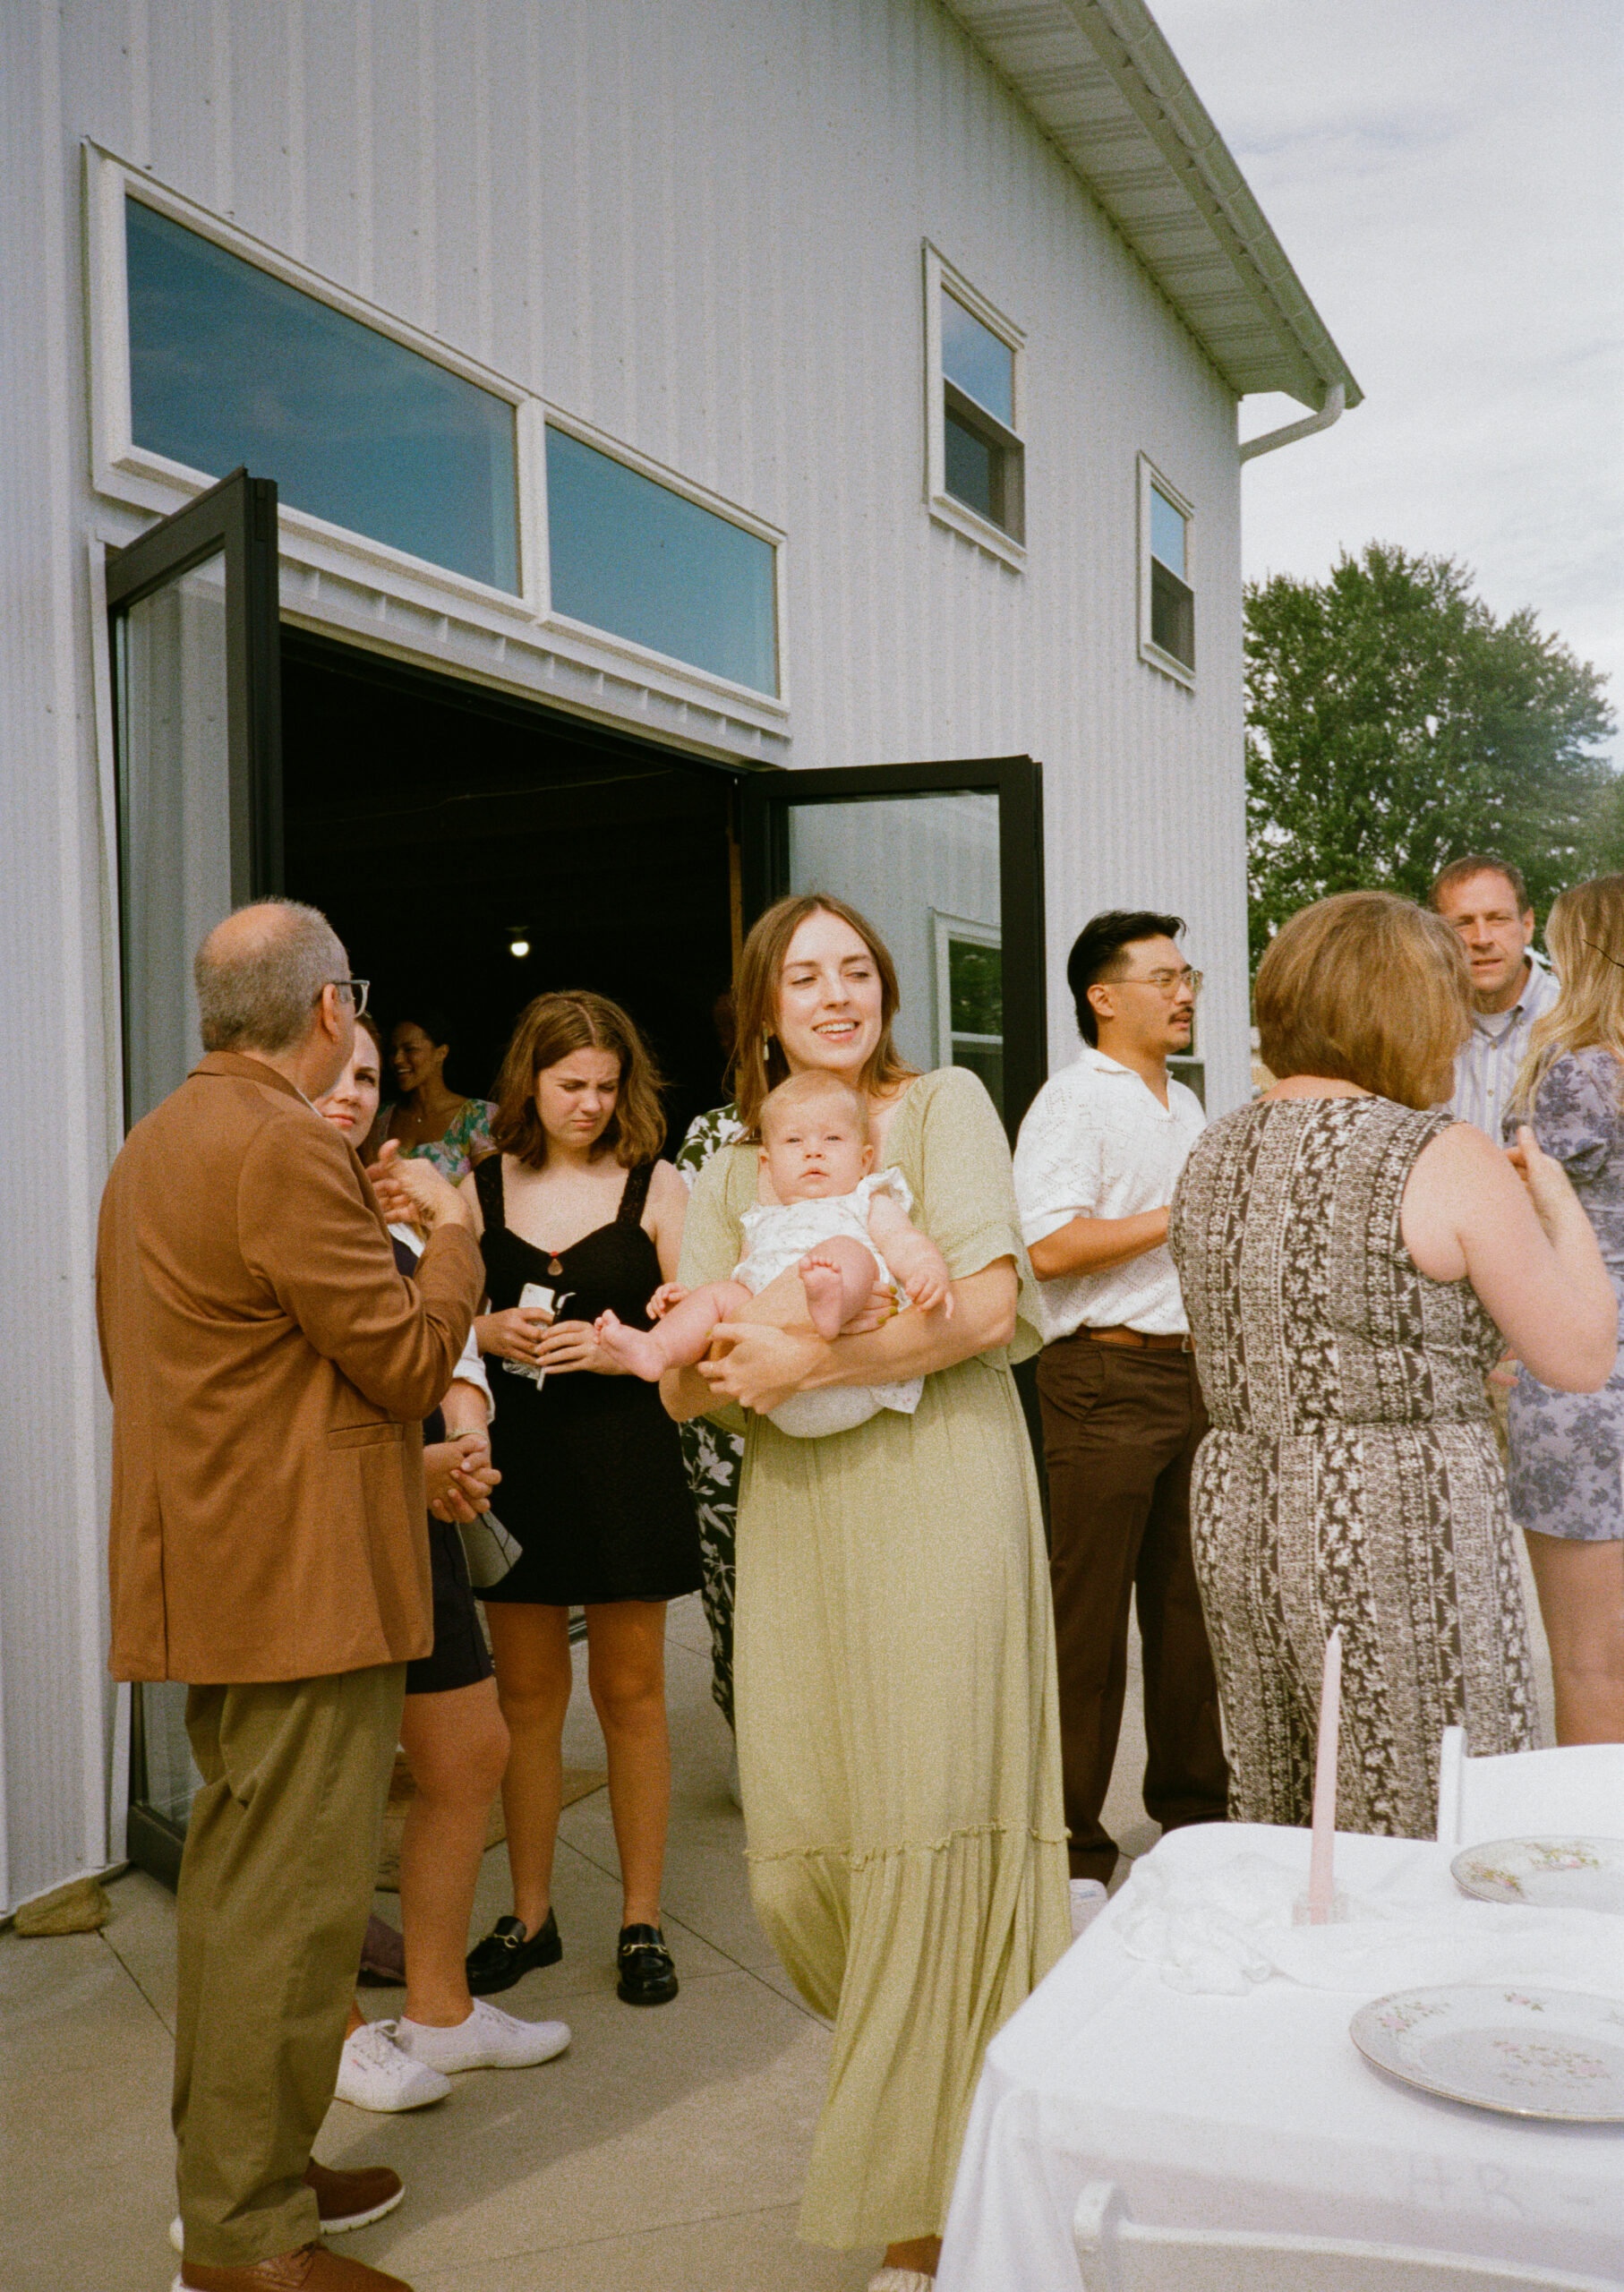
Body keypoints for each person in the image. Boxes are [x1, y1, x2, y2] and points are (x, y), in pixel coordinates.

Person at [666, 894, 1068, 2288]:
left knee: (932, 1819)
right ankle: (972, 2118)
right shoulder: (732, 1162)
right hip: (796, 1519)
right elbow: (691, 1370)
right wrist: (680, 1349)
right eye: (801, 976)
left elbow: (979, 1307)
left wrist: (809, 1363)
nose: (832, 995)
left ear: (884, 991)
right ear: (762, 1009)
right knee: (806, 1857)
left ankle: (932, 2213)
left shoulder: (937, 1107)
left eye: (854, 971)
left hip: (941, 1488)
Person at [97, 900, 483, 2292]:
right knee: (294, 1908)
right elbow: (397, 1359)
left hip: (224, 1566)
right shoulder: (279, 1146)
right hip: (303, 1586)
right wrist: (455, 1232)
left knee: (239, 1898)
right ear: (329, 1009)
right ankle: (250, 2238)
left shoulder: (159, 1143)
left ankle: (245, 2176)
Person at [1167, 891, 1615, 1835]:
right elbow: (1576, 1352)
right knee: (1424, 1810)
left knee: (1287, 1805)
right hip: (1395, 1515)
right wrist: (1555, 1202)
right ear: (1408, 1006)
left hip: (1239, 1504)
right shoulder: (1439, 1152)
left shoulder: (1213, 1148)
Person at [313, 1016, 572, 2104]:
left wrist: (464, 1442)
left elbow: (449, 1345)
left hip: (422, 1517)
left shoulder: (404, 1223)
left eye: (368, 1075)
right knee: (322, 1793)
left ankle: (440, 2009)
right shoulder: (288, 1208)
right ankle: (333, 2030)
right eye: (330, 1069)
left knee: (468, 1752)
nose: (352, 1090)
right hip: (320, 1532)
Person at [460, 991, 700, 2009]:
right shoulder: (475, 1188)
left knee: (633, 1696)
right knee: (523, 1704)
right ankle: (530, 1911)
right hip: (514, 1463)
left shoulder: (660, 1186)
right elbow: (429, 1322)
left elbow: (694, 1329)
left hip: (622, 1459)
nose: (591, 1105)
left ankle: (640, 1919)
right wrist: (486, 1327)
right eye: (571, 1086)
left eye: (607, 1087)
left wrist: (616, 1352)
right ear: (529, 1081)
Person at [1012, 911, 1228, 1914]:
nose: (1182, 993)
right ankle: (1070, 1850)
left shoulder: (1181, 1101)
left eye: (1186, 976)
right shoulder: (1072, 1101)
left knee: (1188, 1620)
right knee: (1085, 1629)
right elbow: (1048, 1247)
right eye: (1161, 977)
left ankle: (1194, 1820)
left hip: (1190, 1381)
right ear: (1103, 996)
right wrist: (1185, 1212)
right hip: (1101, 1379)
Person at [598, 1071, 952, 1437]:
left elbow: (903, 1241)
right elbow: (743, 1282)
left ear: (864, 1161)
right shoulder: (760, 1220)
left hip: (850, 1375)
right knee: (721, 1294)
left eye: (832, 1138)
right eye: (794, 1140)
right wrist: (689, 1306)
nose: (813, 1151)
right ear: (767, 1166)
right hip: (775, 1388)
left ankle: (829, 1305)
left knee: (846, 1253)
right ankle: (657, 1347)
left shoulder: (865, 1200)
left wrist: (926, 1269)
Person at [1502, 877, 1624, 1744]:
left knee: (1588, 1661)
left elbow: (1517, 1218)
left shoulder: (1573, 1074)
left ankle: (1601, 1860)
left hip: (1585, 1368)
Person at [672, 991, 748, 1732]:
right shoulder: (713, 1135)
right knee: (734, 1577)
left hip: (850, 1389)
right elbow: (686, 1269)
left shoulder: (871, 1124)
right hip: (729, 1396)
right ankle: (748, 1737)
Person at [1432, 854, 1559, 1138]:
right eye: (1462, 924)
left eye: (1498, 919)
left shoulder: (1578, 1018)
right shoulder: (1418, 1027)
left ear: (1527, 926)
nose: (1482, 939)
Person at [380, 1001, 496, 1179]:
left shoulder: (477, 1117)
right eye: (392, 1051)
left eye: (410, 1049)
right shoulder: (381, 1118)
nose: (397, 1060)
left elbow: (490, 1195)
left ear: (441, 1053)